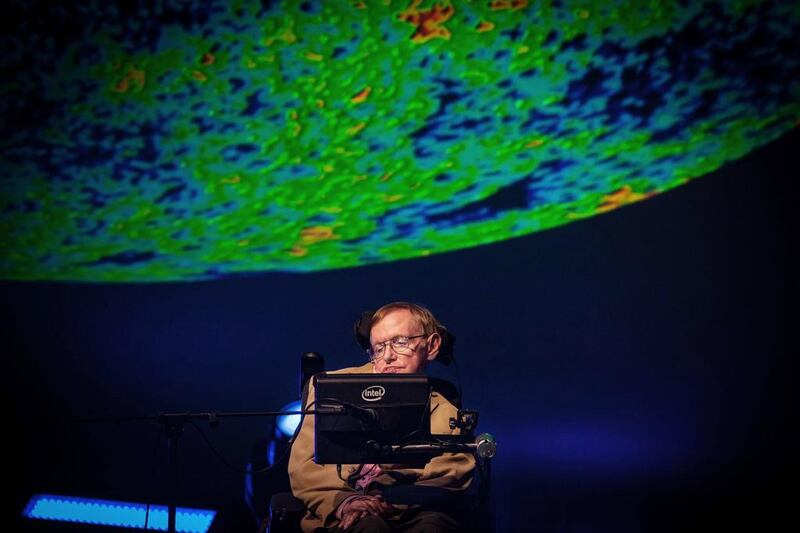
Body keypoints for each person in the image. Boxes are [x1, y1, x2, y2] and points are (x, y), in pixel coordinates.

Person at [288, 302, 475, 532]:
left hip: (412, 510)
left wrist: (386, 496)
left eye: (400, 342)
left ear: (432, 345)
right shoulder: (330, 388)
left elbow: (452, 470)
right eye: (378, 347)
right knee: (369, 527)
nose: (387, 356)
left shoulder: (445, 409)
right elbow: (303, 466)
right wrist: (346, 502)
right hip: (341, 511)